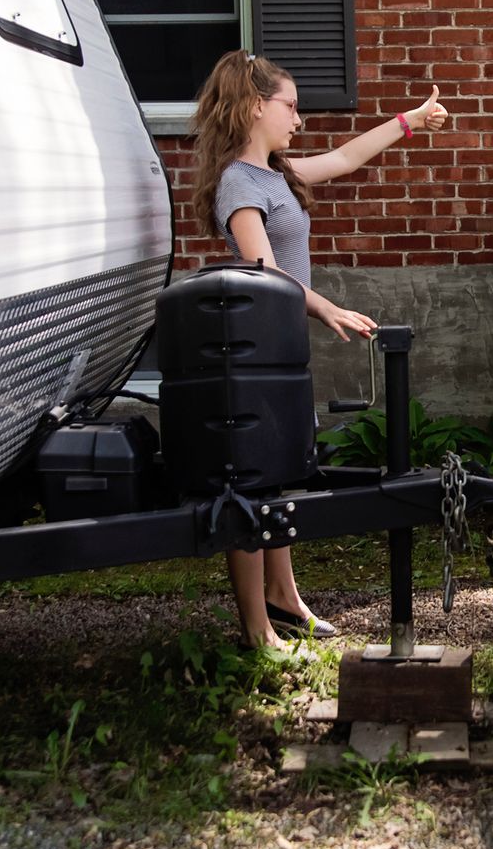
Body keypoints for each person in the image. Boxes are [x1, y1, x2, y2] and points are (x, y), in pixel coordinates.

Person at [189, 50, 447, 648]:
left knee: (278, 479)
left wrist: (410, 119)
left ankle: (284, 597)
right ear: (257, 106)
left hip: (278, 348)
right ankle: (257, 629)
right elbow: (264, 271)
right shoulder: (237, 181)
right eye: (292, 107)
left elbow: (346, 157)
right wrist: (328, 306)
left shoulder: (277, 174)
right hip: (247, 353)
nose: (299, 119)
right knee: (250, 485)